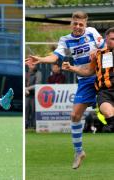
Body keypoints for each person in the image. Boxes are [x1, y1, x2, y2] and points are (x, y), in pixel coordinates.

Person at [25, 11, 105, 169]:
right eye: (75, 23)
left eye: (81, 24)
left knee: (106, 109)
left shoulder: (92, 33)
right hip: (84, 80)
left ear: (85, 24)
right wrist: (40, 59)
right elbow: (55, 57)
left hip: (101, 76)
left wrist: (98, 53)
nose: (77, 27)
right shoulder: (65, 40)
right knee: (75, 115)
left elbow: (106, 49)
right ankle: (78, 151)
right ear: (71, 23)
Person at [62, 27, 114, 133]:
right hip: (105, 92)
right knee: (107, 113)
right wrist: (72, 68)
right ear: (106, 39)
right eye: (112, 39)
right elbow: (89, 71)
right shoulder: (98, 54)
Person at [25, 63, 42, 129]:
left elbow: (37, 84)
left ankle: (35, 125)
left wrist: (27, 89)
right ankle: (25, 125)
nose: (33, 66)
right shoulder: (25, 73)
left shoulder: (38, 73)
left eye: (34, 64)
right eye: (31, 64)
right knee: (26, 110)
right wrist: (25, 89)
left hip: (35, 95)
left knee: (34, 110)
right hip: (26, 95)